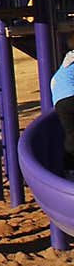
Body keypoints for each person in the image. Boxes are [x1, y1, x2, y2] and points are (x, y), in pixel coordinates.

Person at [50, 30, 74, 175]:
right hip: (70, 95)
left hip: (60, 101)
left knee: (71, 135)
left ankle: (70, 171)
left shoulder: (66, 62)